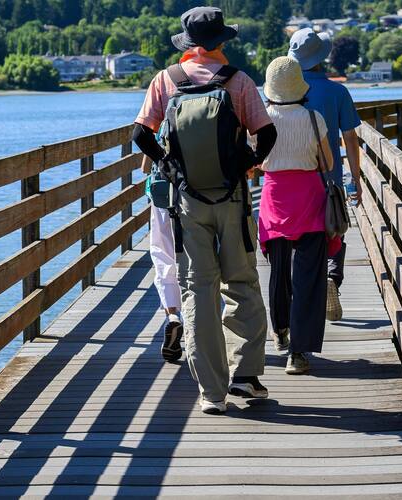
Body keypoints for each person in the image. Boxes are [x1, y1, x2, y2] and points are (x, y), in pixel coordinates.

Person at [133, 6, 277, 415]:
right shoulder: (239, 82)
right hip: (231, 199)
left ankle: (212, 392)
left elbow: (139, 133)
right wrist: (245, 164)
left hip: (187, 203)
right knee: (242, 283)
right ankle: (246, 375)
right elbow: (268, 133)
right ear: (221, 42)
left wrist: (168, 164)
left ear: (188, 43)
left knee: (198, 289)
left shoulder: (167, 80)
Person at [258, 56, 344, 375]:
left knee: (278, 271)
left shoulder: (262, 119)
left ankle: (280, 329)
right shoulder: (314, 118)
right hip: (309, 198)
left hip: (275, 198)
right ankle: (299, 352)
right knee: (308, 277)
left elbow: (253, 161)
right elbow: (327, 163)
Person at [287, 28, 363, 322]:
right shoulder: (337, 91)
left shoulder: (286, 92)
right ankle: (332, 275)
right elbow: (351, 138)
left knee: (300, 236)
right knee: (334, 229)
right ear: (322, 58)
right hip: (329, 178)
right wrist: (355, 177)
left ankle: (306, 289)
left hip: (294, 179)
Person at [142, 154, 186, 363]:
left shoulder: (157, 120)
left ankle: (173, 315)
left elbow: (144, 167)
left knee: (163, 255)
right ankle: (199, 326)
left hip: (162, 194)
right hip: (195, 193)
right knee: (197, 256)